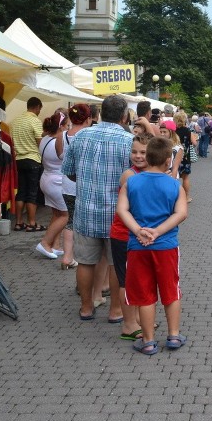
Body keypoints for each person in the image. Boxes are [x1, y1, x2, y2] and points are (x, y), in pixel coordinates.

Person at [61, 95, 134, 322]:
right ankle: (115, 311)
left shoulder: (81, 136)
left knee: (85, 262)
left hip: (86, 210)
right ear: (124, 116)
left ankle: (86, 308)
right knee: (116, 264)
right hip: (118, 214)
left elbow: (69, 171)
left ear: (100, 114)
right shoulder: (129, 141)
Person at [116, 136, 189, 355]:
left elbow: (122, 210)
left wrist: (139, 230)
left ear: (146, 157)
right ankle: (174, 335)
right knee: (170, 290)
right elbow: (181, 213)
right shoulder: (175, 185)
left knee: (145, 294)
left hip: (138, 247)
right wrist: (158, 231)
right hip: (165, 245)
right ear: (169, 160)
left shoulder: (132, 182)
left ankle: (148, 340)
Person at [109, 133, 152, 341]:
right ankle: (128, 324)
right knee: (126, 280)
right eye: (134, 152)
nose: (138, 156)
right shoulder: (130, 175)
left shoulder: (147, 173)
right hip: (124, 234)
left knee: (138, 279)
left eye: (143, 152)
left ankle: (137, 318)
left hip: (140, 235)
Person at [59, 104, 92, 271]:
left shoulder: (62, 135)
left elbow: (60, 156)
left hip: (66, 183)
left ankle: (67, 257)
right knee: (84, 222)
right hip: (84, 184)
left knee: (70, 220)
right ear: (88, 118)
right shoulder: (88, 136)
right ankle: (81, 256)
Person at [36, 111, 71, 262]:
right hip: (56, 181)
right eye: (67, 125)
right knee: (65, 216)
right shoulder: (58, 140)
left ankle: (55, 245)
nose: (69, 128)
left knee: (57, 214)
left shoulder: (45, 139)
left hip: (46, 178)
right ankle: (45, 243)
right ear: (62, 126)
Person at [11, 96, 45, 231]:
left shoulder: (16, 121)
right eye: (39, 109)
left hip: (18, 159)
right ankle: (32, 223)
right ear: (37, 107)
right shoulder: (34, 120)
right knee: (32, 193)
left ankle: (18, 222)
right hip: (33, 159)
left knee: (21, 192)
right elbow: (39, 141)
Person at [174, 111, 197, 203]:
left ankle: (175, 197)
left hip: (174, 157)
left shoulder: (173, 131)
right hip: (185, 157)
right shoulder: (188, 131)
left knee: (174, 177)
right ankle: (186, 197)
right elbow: (195, 143)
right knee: (185, 178)